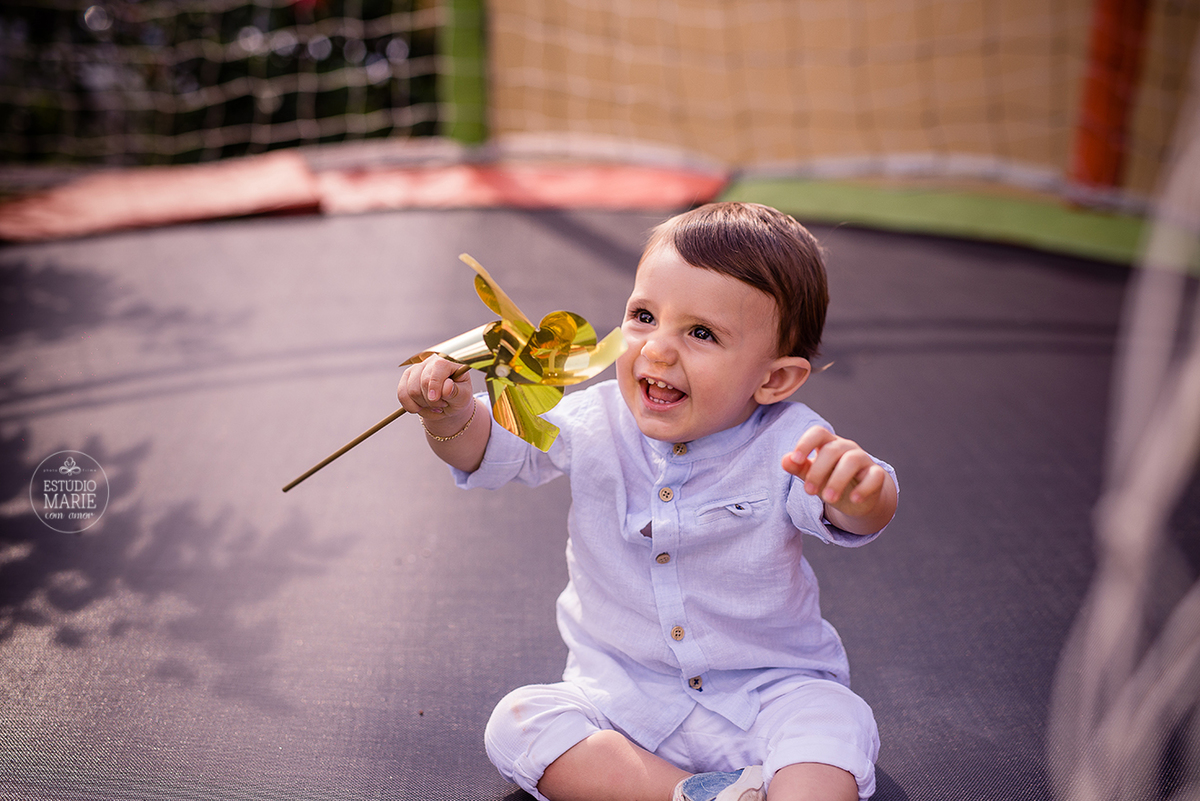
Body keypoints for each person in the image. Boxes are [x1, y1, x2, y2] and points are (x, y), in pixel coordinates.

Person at [397, 202, 898, 801]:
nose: (657, 350)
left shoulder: (792, 442)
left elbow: (856, 510)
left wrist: (860, 493)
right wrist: (450, 417)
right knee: (519, 724)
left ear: (773, 380)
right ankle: (698, 793)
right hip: (622, 702)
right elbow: (490, 452)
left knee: (833, 726)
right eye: (643, 316)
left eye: (702, 333)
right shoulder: (593, 416)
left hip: (767, 692)